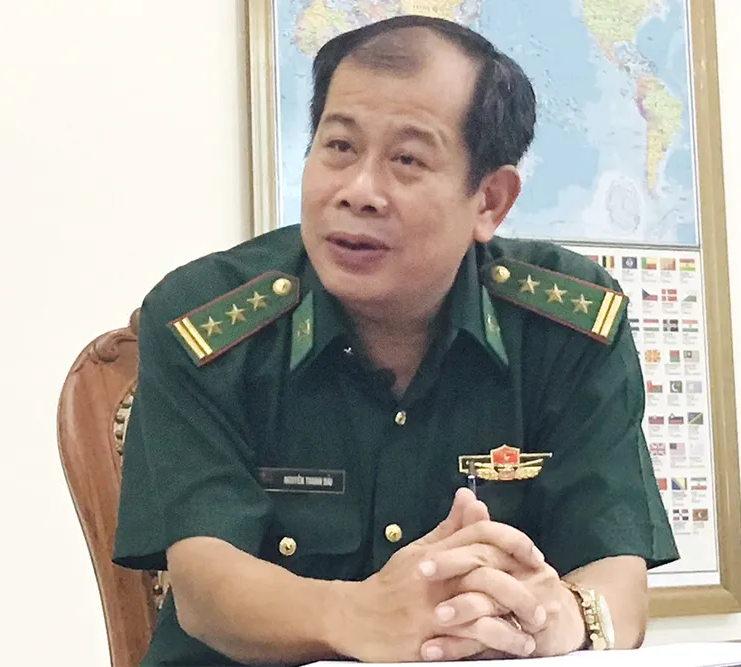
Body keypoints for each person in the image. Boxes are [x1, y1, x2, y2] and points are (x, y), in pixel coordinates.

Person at [113, 14, 678, 667]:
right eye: (339, 147)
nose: (358, 192)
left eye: (407, 160)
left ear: (490, 200)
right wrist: (362, 615)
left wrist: (555, 620)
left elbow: (617, 575)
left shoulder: (566, 327)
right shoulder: (204, 322)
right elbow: (205, 585)